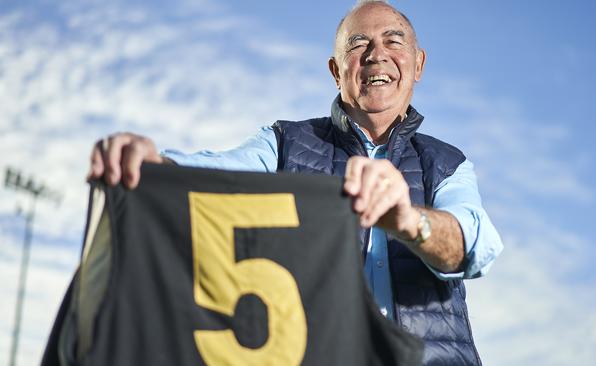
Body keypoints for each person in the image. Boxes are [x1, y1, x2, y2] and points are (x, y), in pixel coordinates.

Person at [87, 1, 503, 364]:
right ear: (336, 70)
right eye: (359, 44)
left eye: (394, 42)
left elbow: (472, 245)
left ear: (418, 64)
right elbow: (215, 174)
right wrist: (154, 165)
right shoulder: (284, 143)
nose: (377, 55)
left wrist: (410, 220)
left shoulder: (447, 163)